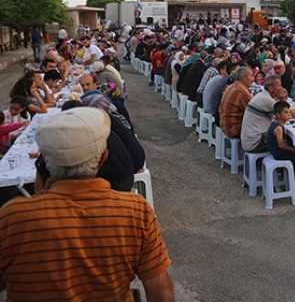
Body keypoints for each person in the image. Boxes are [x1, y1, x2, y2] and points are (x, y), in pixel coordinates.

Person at [0, 107, 173, 301]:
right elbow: (160, 292)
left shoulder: (12, 217)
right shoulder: (135, 211)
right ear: (102, 159)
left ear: (44, 162)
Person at [241, 75, 295, 152]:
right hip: (255, 143)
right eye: (280, 85)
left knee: (283, 131)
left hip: (250, 139)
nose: (282, 88)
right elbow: (286, 113)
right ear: (271, 88)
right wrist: (284, 100)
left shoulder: (263, 95)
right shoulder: (266, 100)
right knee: (285, 135)